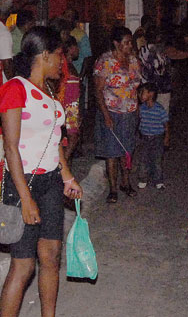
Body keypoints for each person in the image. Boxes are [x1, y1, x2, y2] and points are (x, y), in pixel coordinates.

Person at [0, 26, 84, 317]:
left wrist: (67, 176)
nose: (63, 62)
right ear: (44, 55)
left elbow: (53, 141)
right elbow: (11, 147)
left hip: (49, 182)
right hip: (24, 184)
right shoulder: (15, 89)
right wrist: (25, 198)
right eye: (59, 55)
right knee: (23, 265)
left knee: (51, 256)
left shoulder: (45, 90)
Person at [94, 26, 142, 202]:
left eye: (131, 42)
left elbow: (136, 87)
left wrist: (138, 109)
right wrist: (106, 115)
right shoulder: (105, 61)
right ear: (116, 43)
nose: (130, 45)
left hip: (130, 111)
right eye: (126, 42)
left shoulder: (133, 61)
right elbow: (98, 91)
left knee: (127, 150)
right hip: (112, 112)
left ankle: (126, 182)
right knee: (112, 152)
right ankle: (113, 188)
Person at [136, 83, 169, 189]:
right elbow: (139, 120)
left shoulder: (159, 109)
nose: (140, 95)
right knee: (143, 159)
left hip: (157, 137)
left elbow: (166, 124)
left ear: (151, 94)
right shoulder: (142, 108)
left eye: (142, 92)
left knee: (157, 160)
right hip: (145, 137)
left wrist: (166, 137)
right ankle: (143, 179)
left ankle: (158, 180)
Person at [58, 34, 83, 160]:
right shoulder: (65, 65)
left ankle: (64, 164)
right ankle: (63, 164)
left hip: (70, 106)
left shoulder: (67, 64)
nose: (78, 50)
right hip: (68, 107)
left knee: (69, 138)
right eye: (76, 47)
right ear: (70, 48)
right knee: (72, 137)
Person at [63, 8, 92, 75]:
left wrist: (81, 76)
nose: (66, 18)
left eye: (69, 16)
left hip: (78, 72)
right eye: (65, 16)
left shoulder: (81, 35)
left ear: (75, 20)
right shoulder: (62, 33)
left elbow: (87, 58)